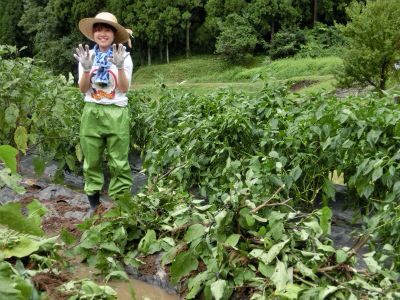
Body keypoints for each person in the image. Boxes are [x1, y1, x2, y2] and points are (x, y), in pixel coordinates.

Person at [73, 12, 133, 214]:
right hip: (92, 111)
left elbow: (124, 88)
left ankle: (120, 207)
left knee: (119, 161)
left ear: (114, 34)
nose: (102, 33)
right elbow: (82, 89)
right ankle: (93, 205)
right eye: (98, 29)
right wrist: (87, 69)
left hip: (116, 111)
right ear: (93, 33)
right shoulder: (86, 56)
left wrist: (119, 67)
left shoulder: (123, 55)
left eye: (107, 29)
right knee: (92, 160)